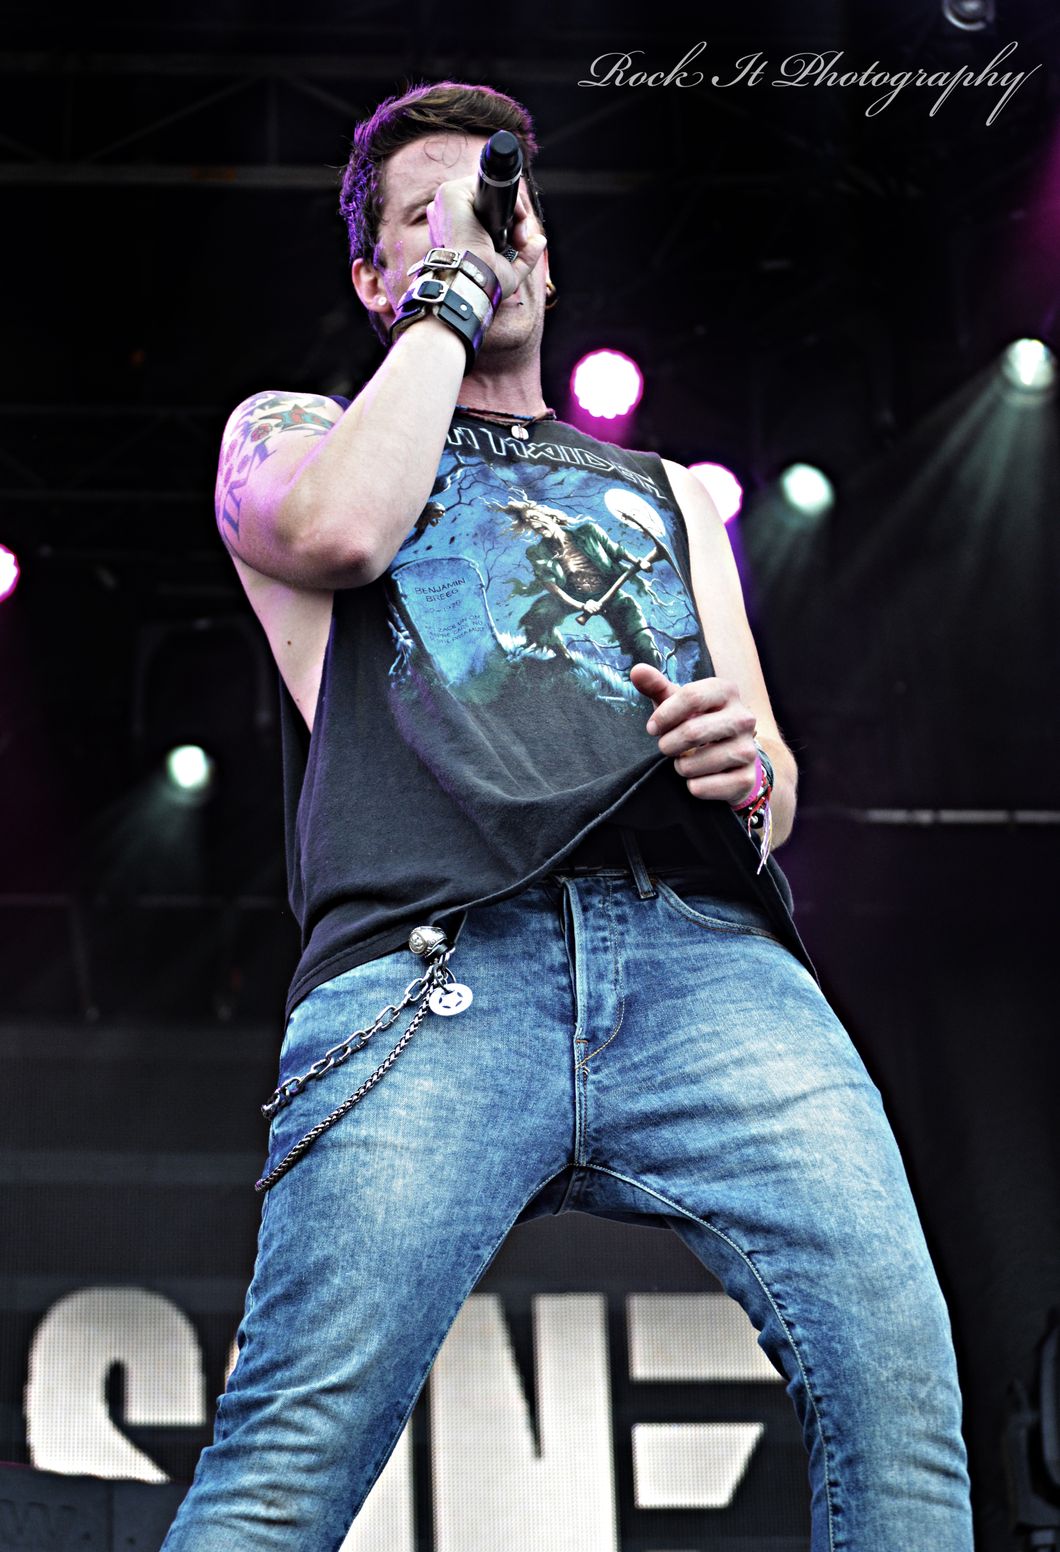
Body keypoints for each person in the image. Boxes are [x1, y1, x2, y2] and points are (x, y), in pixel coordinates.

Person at [162, 81, 974, 1551]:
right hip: (434, 967)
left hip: (706, 967)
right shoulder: (291, 434)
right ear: (373, 277)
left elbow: (775, 784)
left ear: (547, 246)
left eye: (499, 206)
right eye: (425, 216)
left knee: (901, 1396)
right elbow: (342, 533)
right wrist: (448, 295)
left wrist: (745, 768)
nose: (480, 230)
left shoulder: (664, 490)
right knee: (289, 1456)